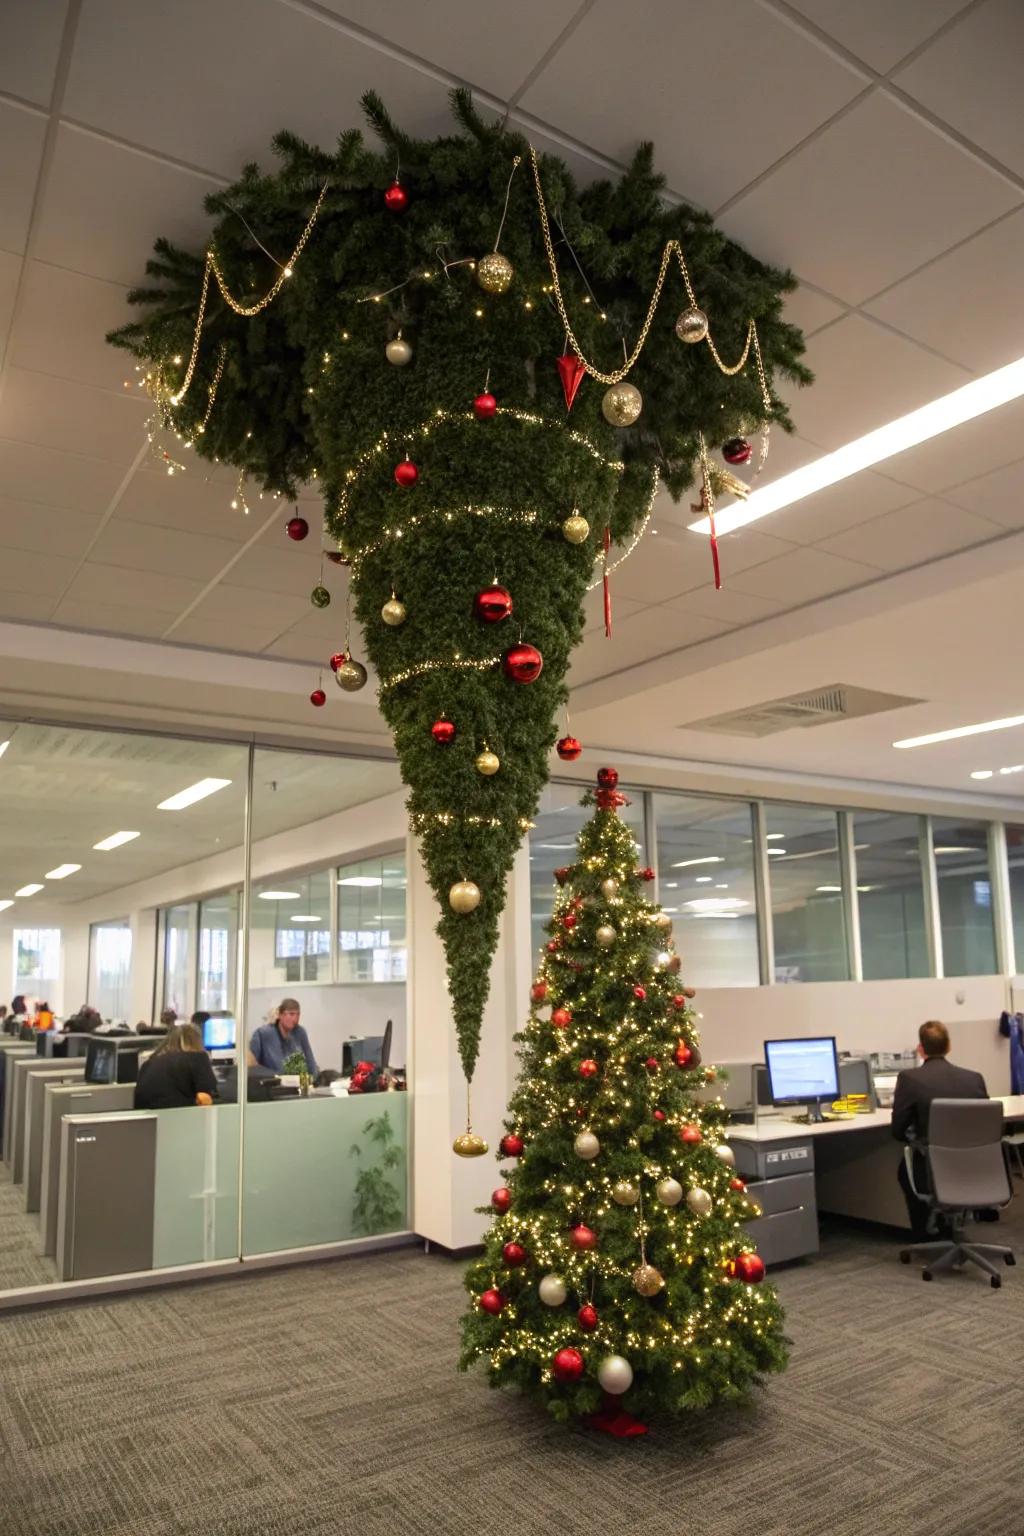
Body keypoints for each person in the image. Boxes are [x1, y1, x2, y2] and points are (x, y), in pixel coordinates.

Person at [891, 1021, 988, 1241]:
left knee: (906, 1170)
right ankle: (949, 1225)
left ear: (920, 1049)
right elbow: (987, 1130)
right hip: (978, 1169)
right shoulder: (974, 1079)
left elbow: (897, 1131)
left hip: (933, 1171)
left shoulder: (909, 1079)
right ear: (949, 1046)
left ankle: (924, 1234)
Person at [134, 1023, 218, 1110]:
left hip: (148, 1121)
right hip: (181, 1119)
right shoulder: (198, 1057)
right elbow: (209, 1095)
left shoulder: (148, 1064)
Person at [248, 997, 318, 1076]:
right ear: (280, 1015)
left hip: (298, 1083)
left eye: (298, 1014)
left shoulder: (300, 1032)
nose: (295, 1018)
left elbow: (310, 1063)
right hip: (273, 1084)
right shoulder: (263, 1034)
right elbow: (251, 1065)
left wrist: (314, 1079)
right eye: (291, 1014)